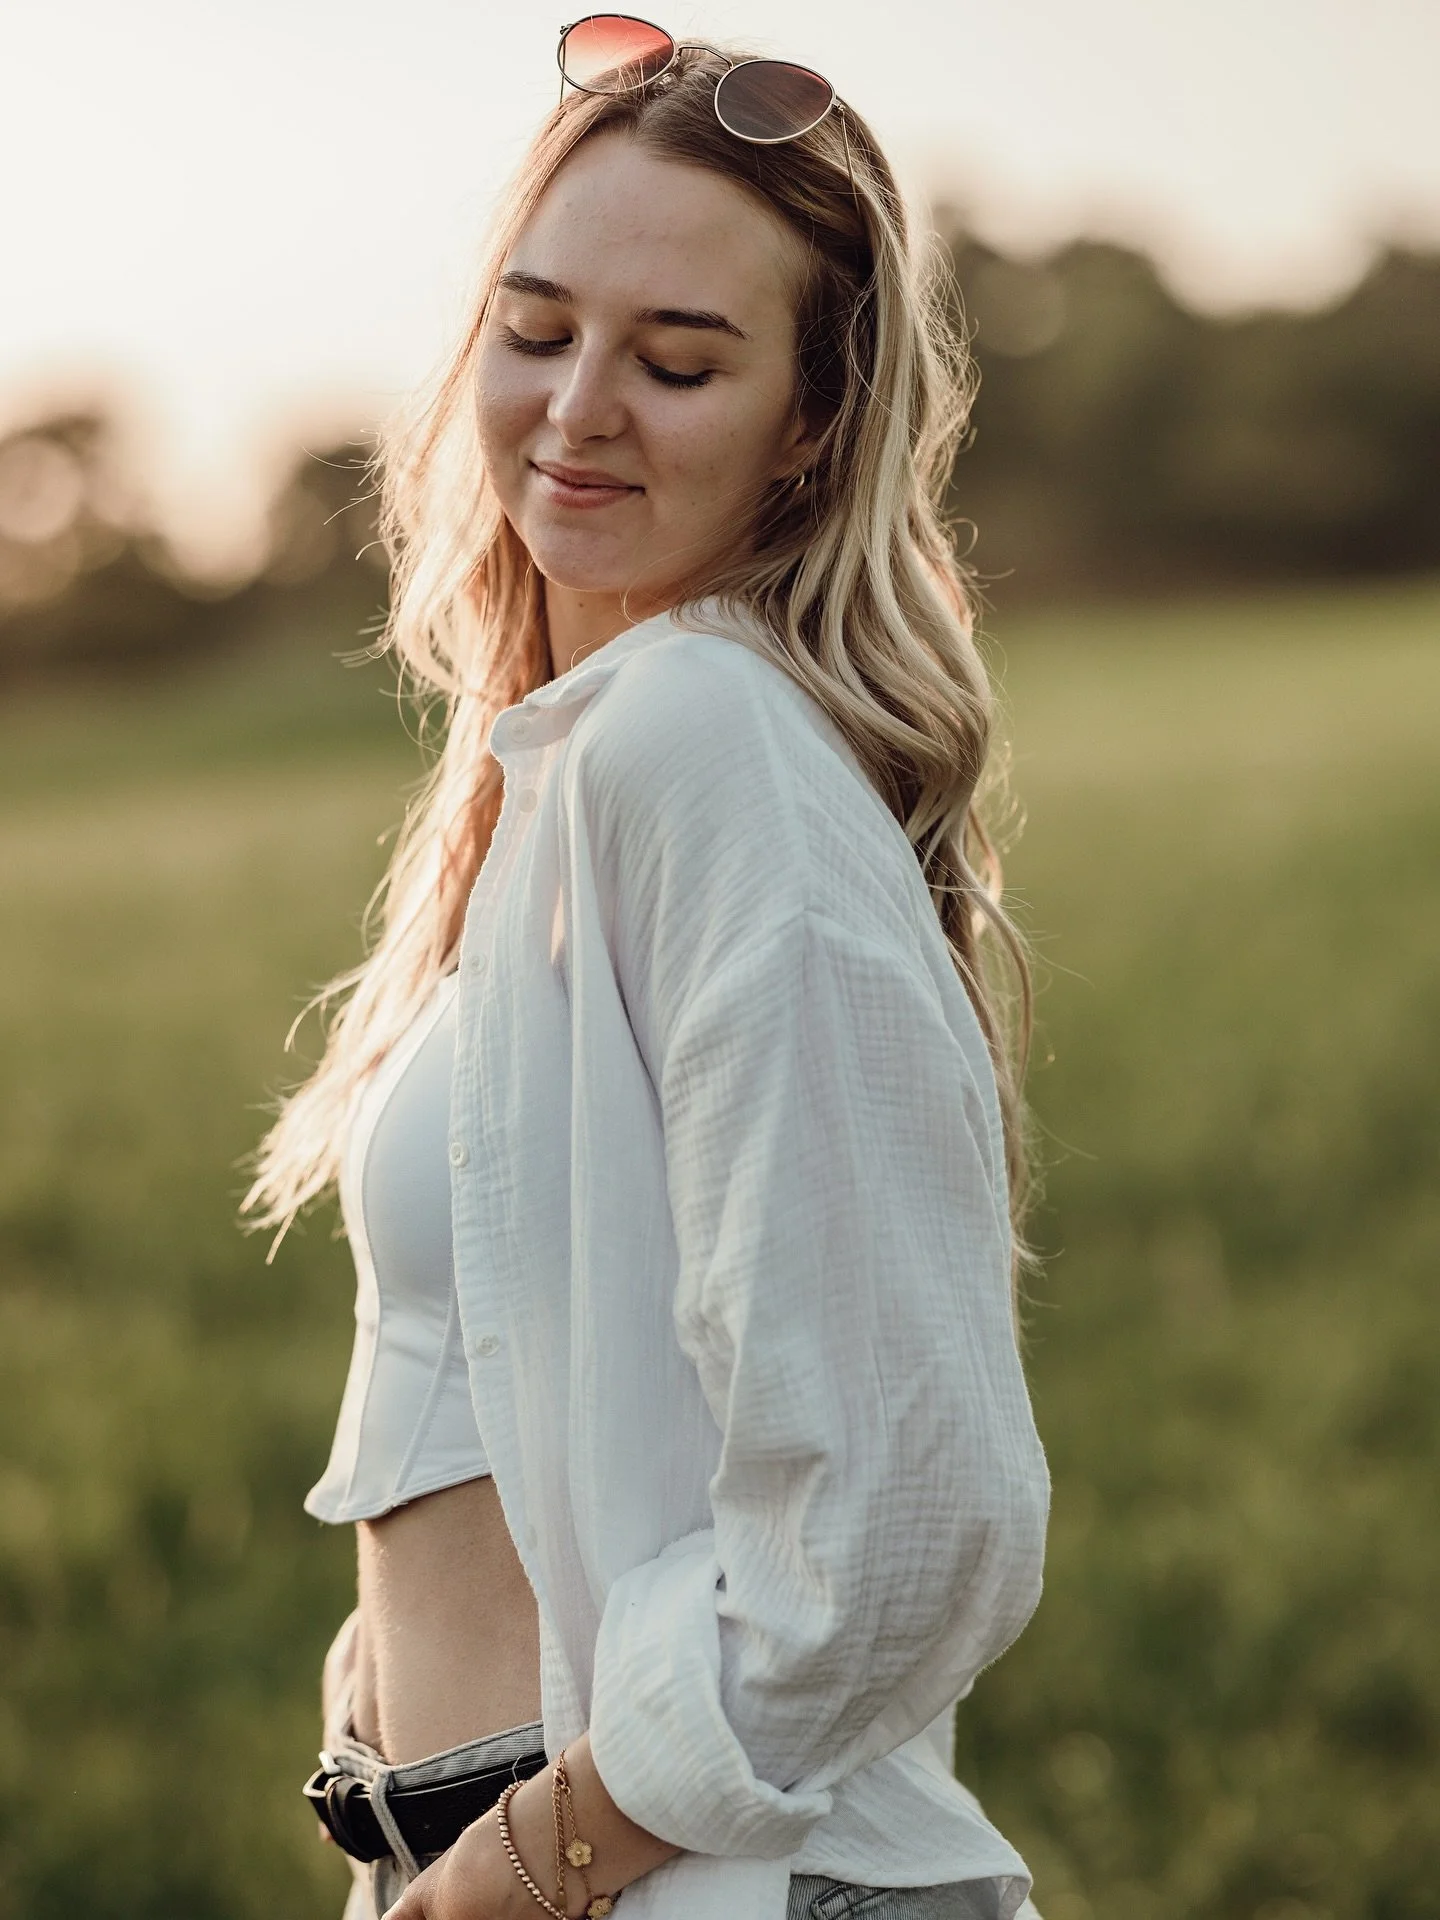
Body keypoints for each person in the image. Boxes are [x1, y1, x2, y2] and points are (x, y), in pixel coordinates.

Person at [243, 19, 1050, 1920]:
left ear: (812, 424)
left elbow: (909, 1521)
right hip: (511, 1844)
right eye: (536, 331)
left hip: (676, 1877)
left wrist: (525, 1864)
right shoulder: (569, 761)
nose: (580, 406)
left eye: (679, 359)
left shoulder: (705, 741)